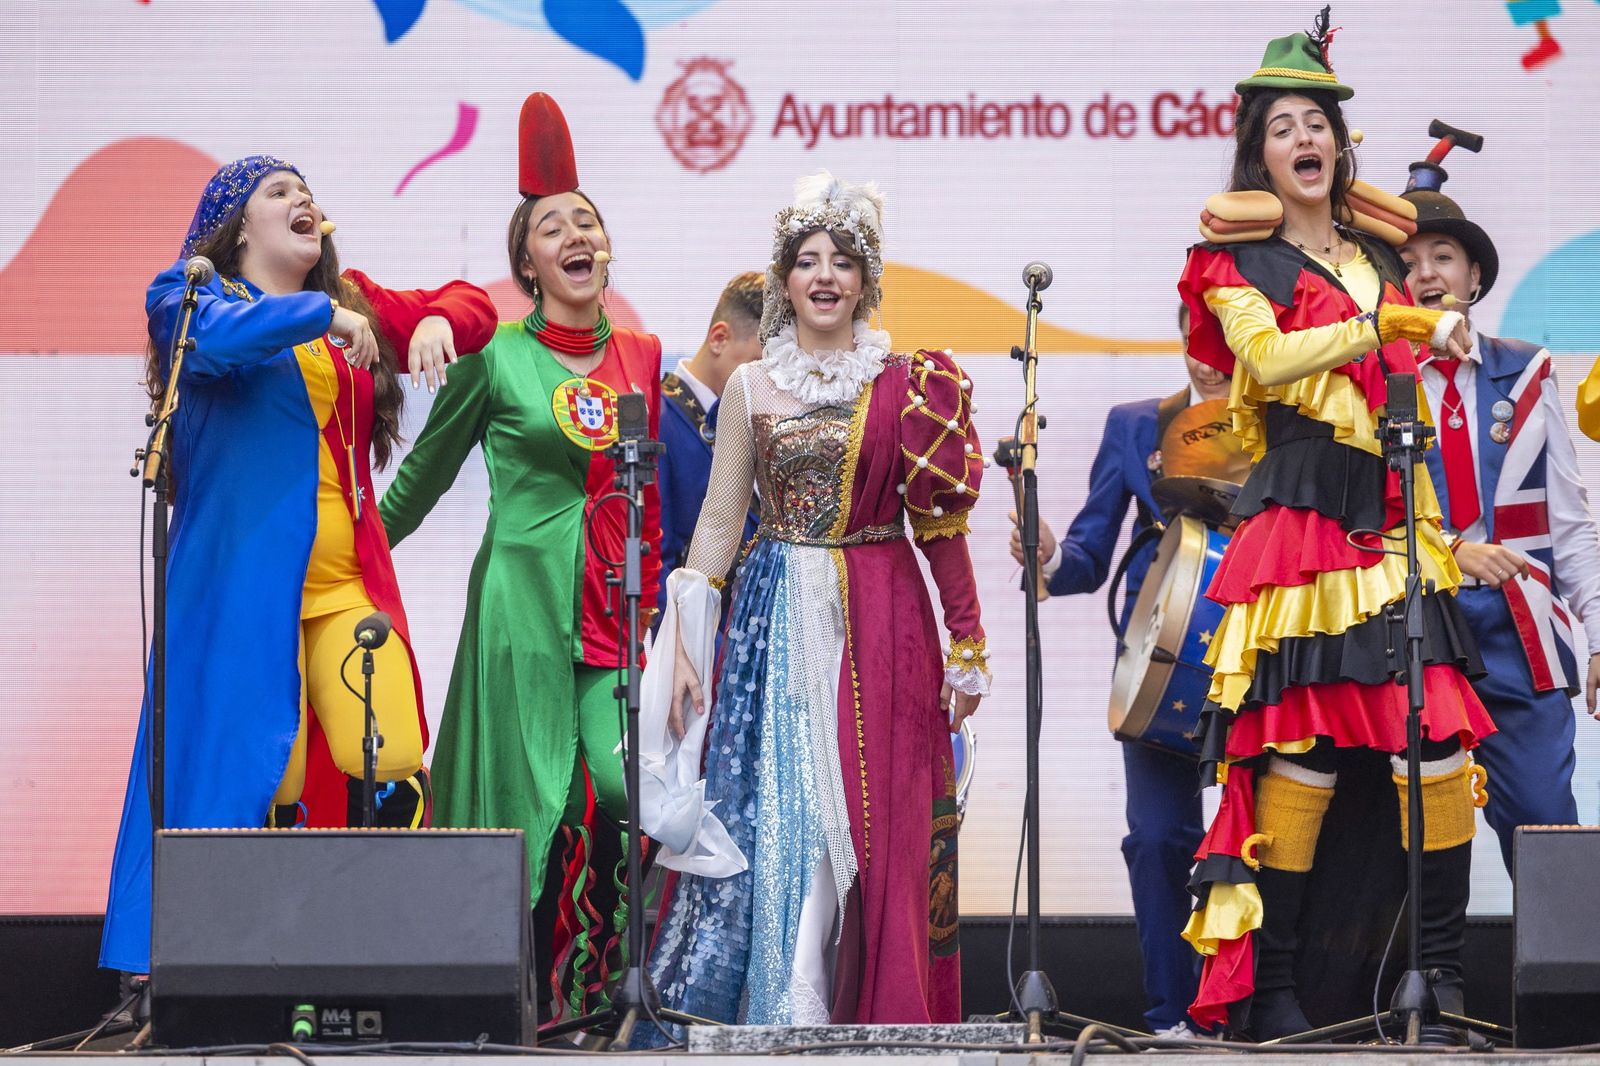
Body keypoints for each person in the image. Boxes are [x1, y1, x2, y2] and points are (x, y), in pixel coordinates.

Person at [1176, 9, 1495, 1038]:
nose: (1303, 138)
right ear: (1257, 152)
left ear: (1337, 145)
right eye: (1282, 126)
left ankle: (1439, 980)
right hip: (1305, 505)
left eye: (1316, 121)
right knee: (1299, 750)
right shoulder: (1233, 261)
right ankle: (1272, 989)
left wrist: (1420, 332)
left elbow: (1406, 356)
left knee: (1434, 742)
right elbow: (1261, 366)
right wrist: (1389, 323)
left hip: (1396, 502)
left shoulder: (1373, 248)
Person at [100, 155, 498, 975]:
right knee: (259, 780)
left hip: (346, 583)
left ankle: (391, 954)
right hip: (244, 593)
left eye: (309, 191)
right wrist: (321, 317)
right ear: (238, 226)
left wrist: (436, 325)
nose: (303, 201)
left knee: (386, 758)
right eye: (278, 193)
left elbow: (477, 303)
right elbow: (214, 339)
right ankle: (251, 965)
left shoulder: (351, 306)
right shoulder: (189, 296)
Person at [636, 172, 988, 1031]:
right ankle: (794, 984)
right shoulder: (753, 387)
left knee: (877, 811)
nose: (824, 276)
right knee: (797, 797)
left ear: (866, 279)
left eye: (842, 261)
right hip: (775, 615)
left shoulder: (910, 382)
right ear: (783, 279)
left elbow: (939, 530)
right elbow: (720, 520)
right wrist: (681, 641)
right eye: (806, 261)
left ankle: (844, 990)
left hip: (883, 610)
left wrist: (968, 644)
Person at [376, 94, 662, 1014]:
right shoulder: (495, 359)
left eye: (588, 221)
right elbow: (418, 480)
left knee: (619, 791)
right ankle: (503, 1007)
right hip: (520, 610)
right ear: (527, 261)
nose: (575, 233)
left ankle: (593, 1000)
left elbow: (660, 492)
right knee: (521, 806)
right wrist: (346, 566)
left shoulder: (646, 357)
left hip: (612, 618)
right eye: (552, 225)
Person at [1006, 305, 1232, 1036]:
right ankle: (1173, 1015)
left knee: (1258, 840)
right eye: (1195, 334)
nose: (1209, 353)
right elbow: (1090, 552)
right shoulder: (1139, 423)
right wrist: (1049, 558)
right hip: (1164, 667)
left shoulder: (1294, 423)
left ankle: (1246, 1011)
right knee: (1161, 838)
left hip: (1266, 660)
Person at [1399, 146, 1600, 870]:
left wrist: (1599, 631)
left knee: (1549, 838)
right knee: (1417, 849)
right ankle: (1434, 984)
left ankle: (1572, 988)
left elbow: (1570, 522)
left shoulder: (1527, 369)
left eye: (1443, 256)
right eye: (1408, 260)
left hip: (1521, 638)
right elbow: (1355, 523)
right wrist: (1450, 553)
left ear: (1474, 275)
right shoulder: (1368, 384)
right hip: (1414, 637)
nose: (1426, 274)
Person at [657, 270, 764, 603]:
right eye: (757, 365)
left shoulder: (763, 421)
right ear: (719, 338)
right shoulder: (658, 418)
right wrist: (690, 650)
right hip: (703, 642)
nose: (766, 382)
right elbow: (658, 562)